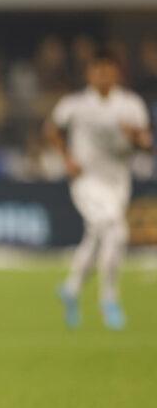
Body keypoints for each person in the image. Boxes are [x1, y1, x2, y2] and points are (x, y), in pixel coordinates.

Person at [45, 49, 152, 330]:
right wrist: (67, 158)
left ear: (117, 72)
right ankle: (110, 300)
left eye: (108, 69)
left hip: (118, 182)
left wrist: (137, 139)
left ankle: (70, 289)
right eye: (97, 70)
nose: (102, 75)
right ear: (89, 73)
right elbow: (52, 129)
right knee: (116, 231)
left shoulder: (131, 105)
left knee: (97, 237)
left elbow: (146, 143)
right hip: (87, 182)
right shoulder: (75, 104)